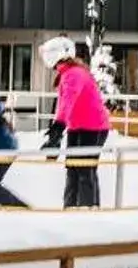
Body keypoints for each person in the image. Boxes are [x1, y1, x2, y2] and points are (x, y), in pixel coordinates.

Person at [41, 37, 112, 208]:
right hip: (78, 126)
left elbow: (67, 101)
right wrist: (57, 129)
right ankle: (70, 208)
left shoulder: (73, 74)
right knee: (73, 168)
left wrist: (58, 127)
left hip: (92, 127)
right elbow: (64, 105)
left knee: (84, 169)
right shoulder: (68, 72)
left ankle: (88, 209)